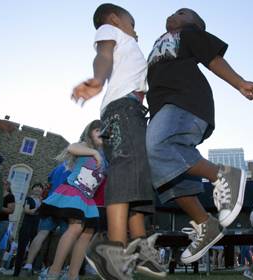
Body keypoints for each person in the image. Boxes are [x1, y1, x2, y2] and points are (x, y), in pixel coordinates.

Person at [145, 7, 253, 265]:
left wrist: (240, 83)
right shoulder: (158, 46)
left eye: (182, 12)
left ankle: (224, 175)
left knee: (158, 148)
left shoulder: (188, 34)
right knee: (168, 171)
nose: (173, 14)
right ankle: (204, 223)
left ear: (195, 23)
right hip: (163, 110)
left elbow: (212, 59)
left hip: (185, 102)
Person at [71, 4, 165, 279]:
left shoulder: (129, 46)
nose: (136, 30)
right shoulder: (110, 30)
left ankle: (140, 249)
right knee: (127, 170)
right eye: (132, 24)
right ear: (115, 19)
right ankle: (115, 252)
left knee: (135, 177)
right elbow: (103, 54)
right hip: (122, 110)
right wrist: (98, 79)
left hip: (128, 113)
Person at [38, 120, 107, 280]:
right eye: (97, 130)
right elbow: (71, 147)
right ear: (90, 132)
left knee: (87, 233)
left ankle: (72, 275)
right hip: (74, 191)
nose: (101, 133)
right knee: (75, 228)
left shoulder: (105, 157)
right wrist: (94, 153)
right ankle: (53, 272)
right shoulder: (85, 147)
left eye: (104, 131)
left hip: (88, 199)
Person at [19, 163, 70, 276]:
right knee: (67, 236)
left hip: (51, 201)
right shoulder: (76, 166)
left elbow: (49, 182)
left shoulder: (58, 167)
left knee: (41, 234)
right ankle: (64, 268)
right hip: (66, 203)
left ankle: (27, 266)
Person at [13, 183, 44, 276]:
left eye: (40, 188)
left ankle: (31, 271)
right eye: (36, 187)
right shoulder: (28, 199)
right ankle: (16, 272)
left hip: (36, 227)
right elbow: (27, 211)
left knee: (34, 248)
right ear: (32, 189)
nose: (38, 189)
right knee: (21, 248)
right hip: (27, 226)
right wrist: (38, 208)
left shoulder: (43, 200)